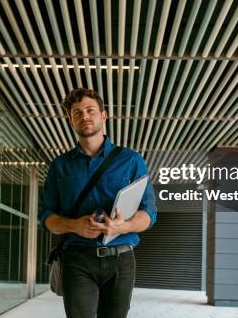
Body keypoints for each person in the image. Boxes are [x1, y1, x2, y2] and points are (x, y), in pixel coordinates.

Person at [39, 88, 157, 318]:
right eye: (77, 113)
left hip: (121, 259)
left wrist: (125, 226)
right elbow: (46, 217)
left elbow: (149, 212)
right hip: (77, 259)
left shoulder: (131, 160)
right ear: (70, 120)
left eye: (90, 110)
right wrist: (74, 226)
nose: (85, 116)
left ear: (103, 116)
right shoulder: (59, 166)